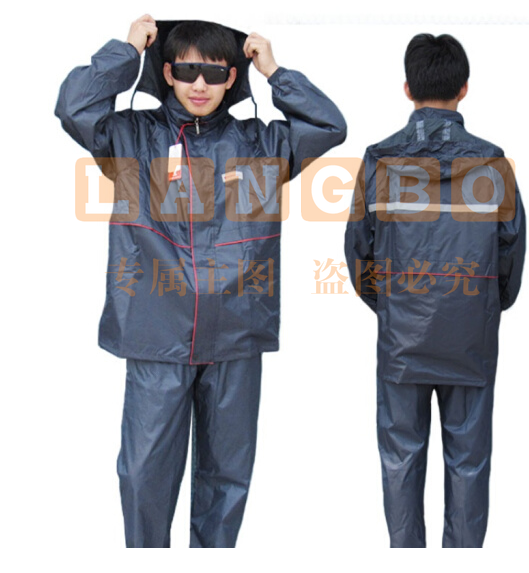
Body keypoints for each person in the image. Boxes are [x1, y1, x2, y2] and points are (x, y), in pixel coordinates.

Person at [55, 15, 346, 548]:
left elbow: (329, 125)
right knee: (144, 475)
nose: (199, 85)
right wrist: (126, 51)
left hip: (236, 333)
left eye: (214, 73)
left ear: (233, 78)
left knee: (226, 480)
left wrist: (274, 71)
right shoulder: (131, 138)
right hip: (157, 333)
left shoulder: (262, 144)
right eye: (187, 70)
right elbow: (75, 107)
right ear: (167, 72)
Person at [344, 33, 525, 548]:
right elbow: (510, 253)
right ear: (464, 88)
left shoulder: (379, 161)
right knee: (469, 460)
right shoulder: (493, 165)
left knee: (400, 457)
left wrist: (392, 305)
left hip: (402, 337)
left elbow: (359, 253)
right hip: (470, 335)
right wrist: (482, 306)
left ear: (407, 88)